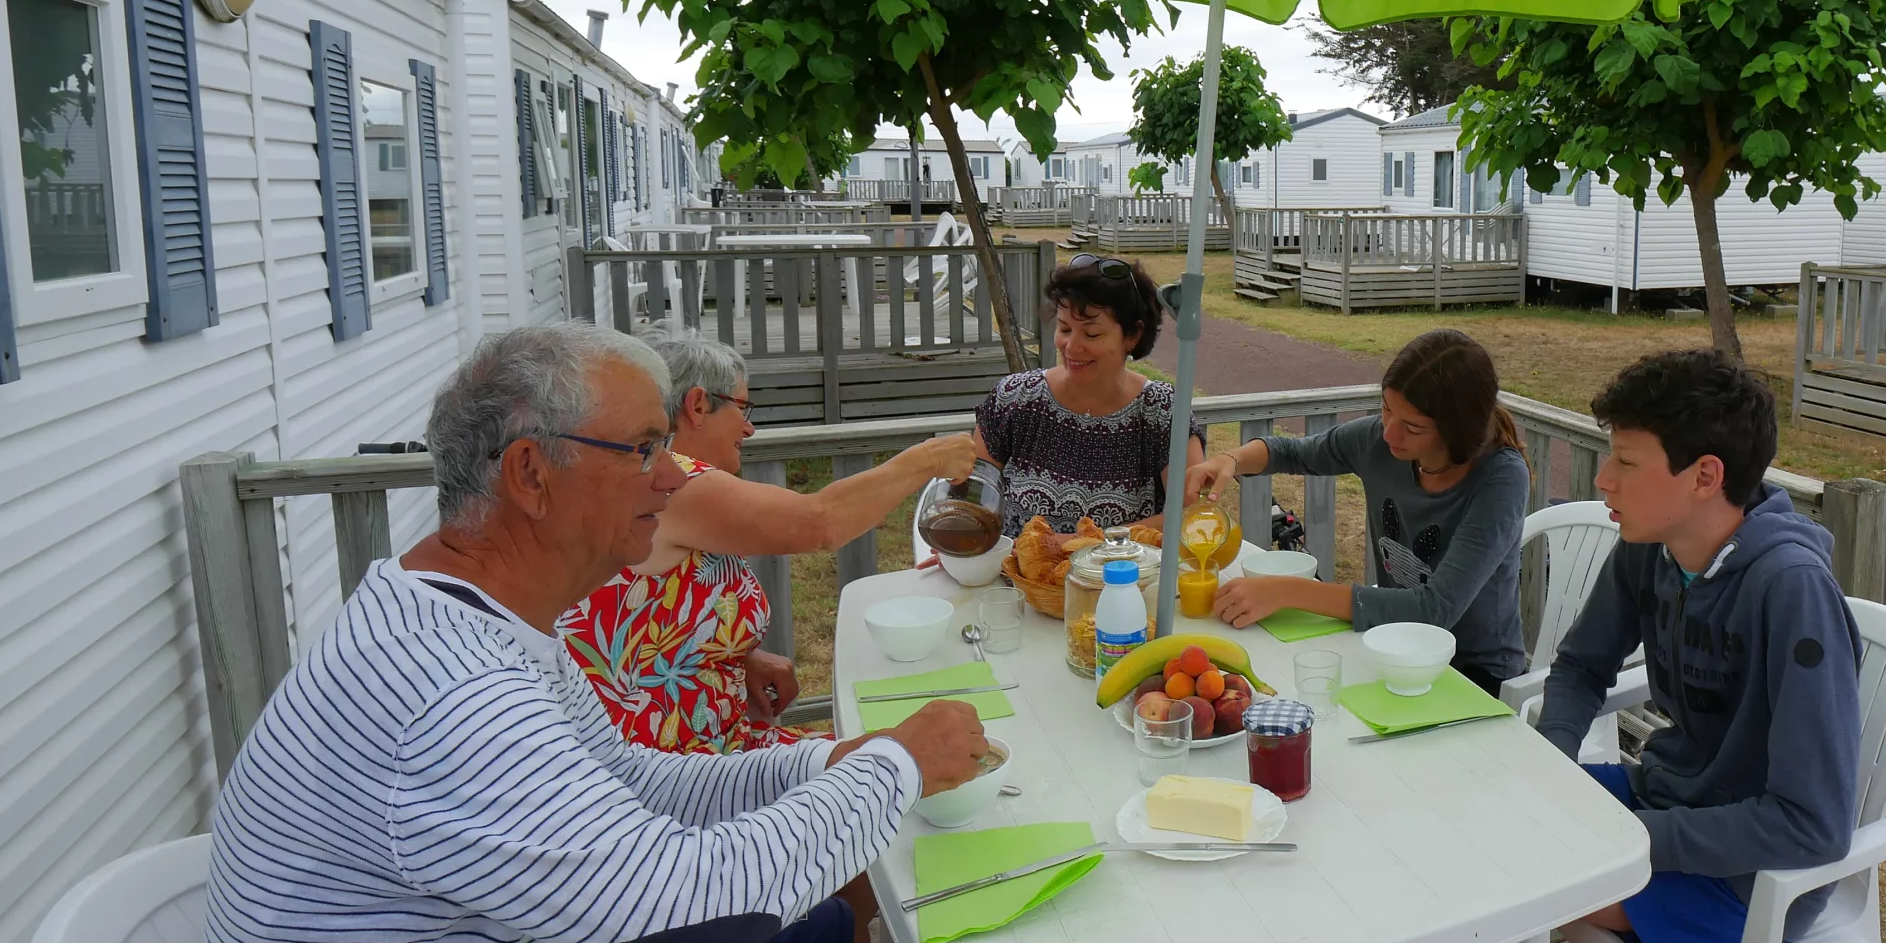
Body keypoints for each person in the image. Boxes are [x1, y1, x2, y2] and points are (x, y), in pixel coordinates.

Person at [199, 323, 986, 943]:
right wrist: (895, 772)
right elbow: (668, 919)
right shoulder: (453, 697)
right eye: (646, 447)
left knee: (823, 924)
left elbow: (637, 781)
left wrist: (832, 756)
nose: (673, 475)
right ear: (531, 471)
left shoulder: (467, 610)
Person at [1353, 348, 1863, 943]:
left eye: (1625, 461)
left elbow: (1813, 827)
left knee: (1495, 894)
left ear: (1704, 476)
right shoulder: (1655, 548)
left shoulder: (1789, 588)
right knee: (1444, 827)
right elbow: (1583, 668)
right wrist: (1547, 780)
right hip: (1664, 808)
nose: (1603, 480)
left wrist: (1620, 841)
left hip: (1749, 878)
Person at [561, 333, 980, 753]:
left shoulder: (651, 479)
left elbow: (648, 623)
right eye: (743, 407)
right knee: (918, 762)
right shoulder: (675, 483)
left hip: (705, 741)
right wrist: (928, 458)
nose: (749, 427)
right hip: (677, 770)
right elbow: (820, 523)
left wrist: (738, 658)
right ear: (698, 405)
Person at [1190, 327, 1531, 691]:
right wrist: (1231, 459)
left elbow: (1434, 609)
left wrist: (1285, 591)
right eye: (1386, 408)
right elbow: (1293, 452)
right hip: (1390, 649)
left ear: (1458, 432)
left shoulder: (1501, 478)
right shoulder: (1379, 441)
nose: (1388, 434)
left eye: (1412, 428)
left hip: (1475, 676)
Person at [974, 253, 1203, 534]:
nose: (1071, 346)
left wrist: (1084, 546)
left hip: (1121, 576)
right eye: (1064, 328)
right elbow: (973, 496)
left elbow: (1191, 515)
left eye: (1091, 334)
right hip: (1012, 575)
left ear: (1132, 336)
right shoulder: (1014, 398)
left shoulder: (1163, 411)